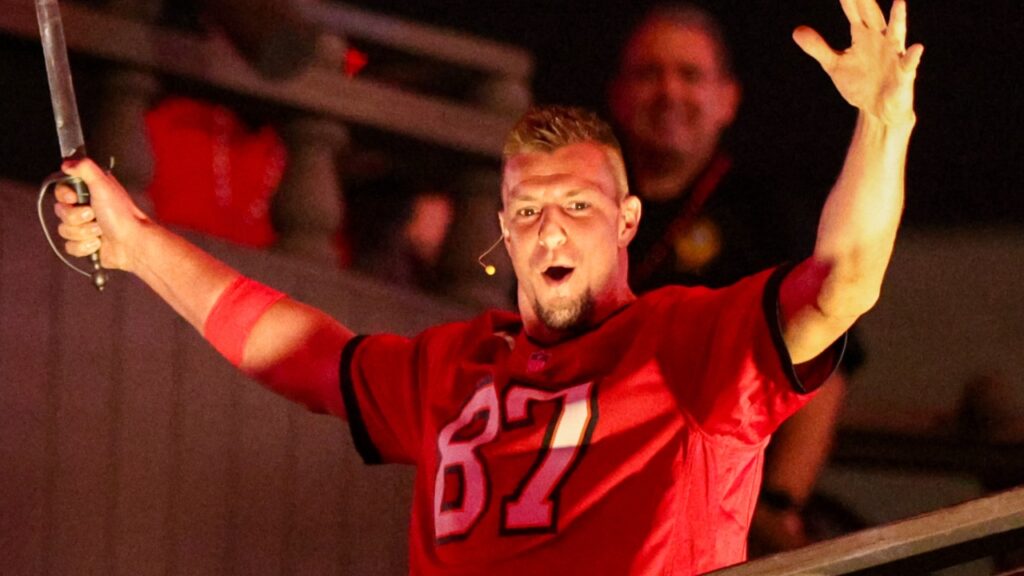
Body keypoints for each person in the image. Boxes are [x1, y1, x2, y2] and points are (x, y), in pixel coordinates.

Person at [52, 1, 921, 573]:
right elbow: (305, 356)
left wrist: (884, 125)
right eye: (527, 208)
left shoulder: (683, 344)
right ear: (500, 232)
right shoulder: (456, 367)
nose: (548, 226)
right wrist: (134, 242)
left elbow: (841, 286)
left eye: (577, 204)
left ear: (624, 223)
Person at [608, 2, 859, 552]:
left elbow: (827, 367)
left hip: (730, 506)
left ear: (728, 99)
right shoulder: (586, 208)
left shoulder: (766, 214)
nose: (669, 92)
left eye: (690, 75)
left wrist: (778, 504)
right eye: (650, 73)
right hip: (605, 491)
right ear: (619, 96)